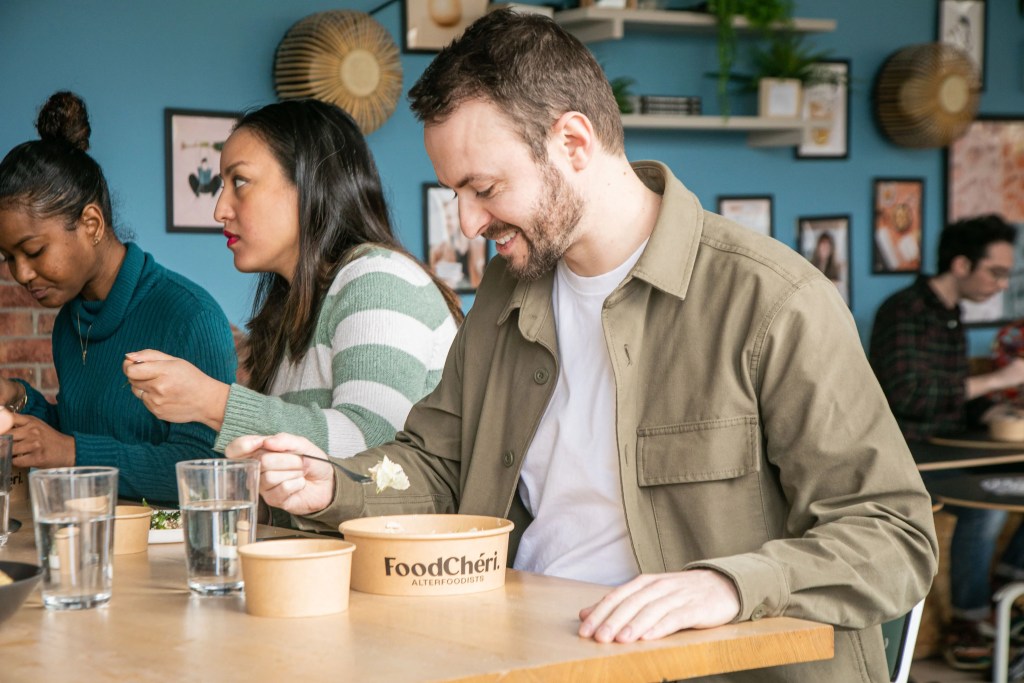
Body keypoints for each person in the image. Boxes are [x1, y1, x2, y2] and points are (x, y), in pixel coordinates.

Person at [226, 11, 938, 681]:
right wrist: (334, 483)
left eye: (484, 188)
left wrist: (727, 583)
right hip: (520, 651)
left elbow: (894, 535)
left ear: (573, 142)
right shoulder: (508, 290)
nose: (469, 222)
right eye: (457, 196)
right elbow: (433, 465)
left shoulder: (772, 299)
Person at [123, 99, 462, 464]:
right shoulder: (295, 308)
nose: (219, 209)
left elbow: (375, 446)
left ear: (309, 184)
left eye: (240, 181)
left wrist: (212, 402)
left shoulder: (379, 279)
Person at [0, 91, 237, 504]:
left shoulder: (189, 316)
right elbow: (87, 432)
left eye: (34, 251)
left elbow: (207, 469)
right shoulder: (71, 323)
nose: (21, 273)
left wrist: (70, 452)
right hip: (92, 540)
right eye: (8, 258)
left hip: (170, 556)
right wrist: (18, 397)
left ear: (91, 223)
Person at [869, 214, 1024, 671]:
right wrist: (997, 379)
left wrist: (992, 411)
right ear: (960, 265)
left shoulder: (951, 314)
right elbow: (907, 393)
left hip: (946, 445)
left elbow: (949, 395)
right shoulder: (903, 311)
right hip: (907, 457)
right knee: (988, 503)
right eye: (995, 272)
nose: (1000, 284)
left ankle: (1006, 597)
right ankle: (969, 622)